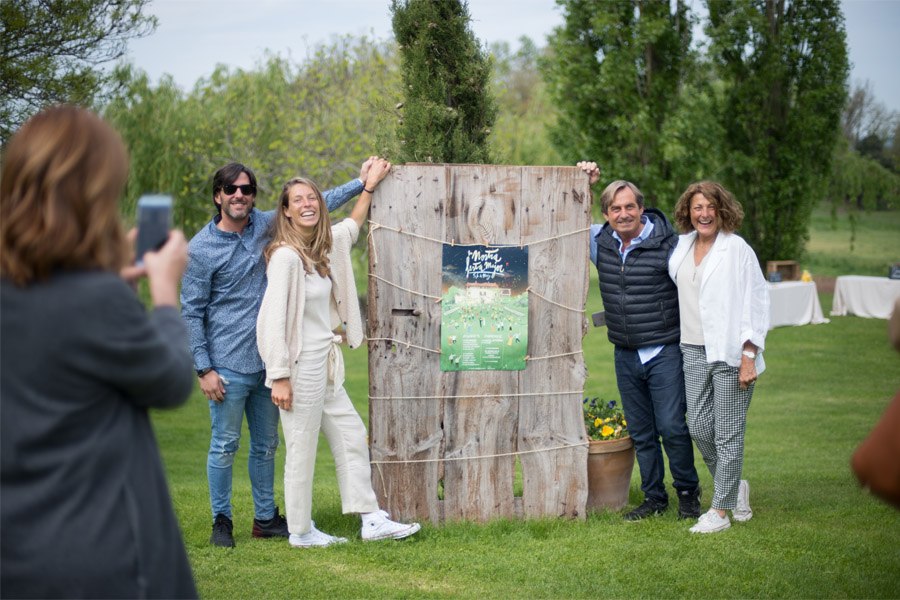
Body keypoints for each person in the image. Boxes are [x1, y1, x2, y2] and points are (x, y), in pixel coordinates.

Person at [0, 106, 196, 597]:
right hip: (101, 554)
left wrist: (113, 284)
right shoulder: (94, 301)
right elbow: (171, 380)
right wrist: (166, 294)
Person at [181, 158, 378, 547]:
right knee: (225, 445)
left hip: (270, 363)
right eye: (231, 190)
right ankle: (222, 519)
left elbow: (317, 204)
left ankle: (266, 517)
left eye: (247, 189)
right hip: (229, 363)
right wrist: (203, 367)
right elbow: (191, 310)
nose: (240, 196)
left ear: (254, 196)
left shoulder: (265, 226)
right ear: (218, 196)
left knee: (267, 446)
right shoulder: (201, 249)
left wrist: (362, 182)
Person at [256, 164, 421, 547]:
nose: (307, 204)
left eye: (312, 197)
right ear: (285, 211)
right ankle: (300, 531)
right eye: (297, 200)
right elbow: (270, 322)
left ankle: (370, 519)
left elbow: (351, 226)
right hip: (299, 367)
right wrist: (278, 375)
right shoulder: (285, 258)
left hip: (326, 363)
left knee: (351, 435)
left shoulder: (322, 248)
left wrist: (368, 187)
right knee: (301, 447)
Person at [577, 162, 701, 521]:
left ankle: (688, 493)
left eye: (630, 206)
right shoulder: (599, 241)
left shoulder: (670, 244)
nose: (623, 213)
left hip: (664, 350)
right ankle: (654, 499)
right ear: (606, 214)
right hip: (625, 352)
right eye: (615, 208)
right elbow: (569, 218)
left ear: (641, 208)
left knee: (672, 426)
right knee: (643, 432)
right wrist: (582, 182)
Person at [668, 181, 770, 534]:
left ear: (722, 210)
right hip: (692, 349)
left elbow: (756, 302)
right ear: (688, 212)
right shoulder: (681, 246)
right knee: (698, 425)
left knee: (728, 433)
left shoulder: (737, 249)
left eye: (710, 207)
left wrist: (748, 354)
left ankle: (720, 511)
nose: (704, 214)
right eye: (697, 207)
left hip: (729, 351)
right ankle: (735, 486)